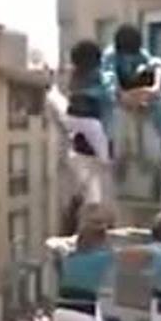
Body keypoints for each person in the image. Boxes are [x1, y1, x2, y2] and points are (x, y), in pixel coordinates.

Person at [103, 24, 161, 238]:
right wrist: (123, 96)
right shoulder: (111, 60)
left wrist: (141, 91)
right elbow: (126, 98)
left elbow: (152, 84)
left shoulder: (160, 101)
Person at [47, 40, 117, 210]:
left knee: (89, 177)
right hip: (88, 126)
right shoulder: (98, 76)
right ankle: (90, 203)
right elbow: (107, 94)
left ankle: (87, 201)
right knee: (96, 170)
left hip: (75, 123)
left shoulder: (76, 75)